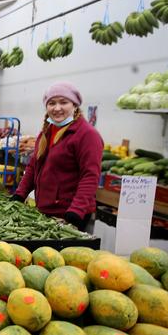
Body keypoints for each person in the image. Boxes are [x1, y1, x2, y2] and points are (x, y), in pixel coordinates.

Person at [12, 82, 103, 231]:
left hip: (69, 214)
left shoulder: (87, 134)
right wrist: (20, 194)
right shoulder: (46, 131)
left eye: (63, 102)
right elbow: (33, 166)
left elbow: (90, 176)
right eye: (52, 103)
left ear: (74, 105)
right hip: (46, 210)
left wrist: (76, 211)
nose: (57, 108)